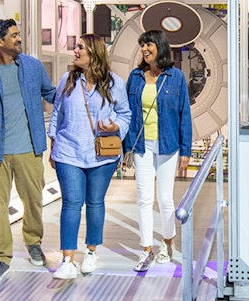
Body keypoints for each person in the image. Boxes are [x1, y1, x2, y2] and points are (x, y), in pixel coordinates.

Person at [0, 18, 56, 285]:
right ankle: (1, 258)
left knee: (34, 200)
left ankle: (33, 242)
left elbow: (52, 94)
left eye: (19, 34)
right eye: (14, 35)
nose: (19, 39)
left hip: (29, 148)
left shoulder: (33, 66)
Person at [47, 34, 131, 280]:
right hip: (68, 152)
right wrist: (53, 144)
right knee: (71, 202)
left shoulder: (115, 83)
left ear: (94, 53)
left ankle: (91, 251)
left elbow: (125, 114)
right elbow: (57, 113)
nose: (75, 51)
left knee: (95, 202)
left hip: (101, 156)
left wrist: (114, 126)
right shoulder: (67, 80)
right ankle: (67, 260)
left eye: (80, 47)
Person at [123, 29, 192, 272]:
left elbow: (184, 115)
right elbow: (127, 113)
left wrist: (186, 152)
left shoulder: (176, 77)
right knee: (144, 198)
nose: (144, 49)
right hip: (141, 146)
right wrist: (126, 147)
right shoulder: (135, 77)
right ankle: (146, 249)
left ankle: (168, 242)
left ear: (159, 47)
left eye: (149, 44)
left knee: (165, 198)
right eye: (142, 45)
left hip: (168, 145)